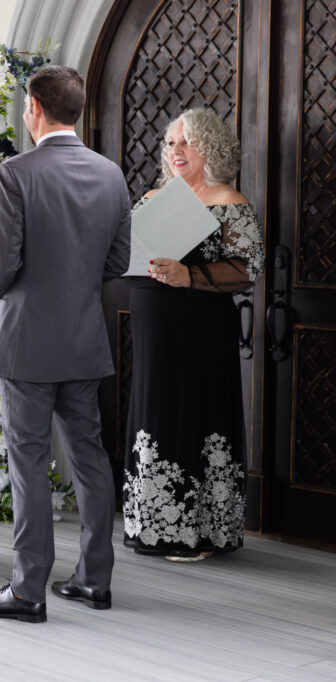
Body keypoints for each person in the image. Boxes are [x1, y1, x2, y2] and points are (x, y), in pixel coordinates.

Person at [0, 66, 131, 623]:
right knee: (89, 458)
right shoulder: (112, 175)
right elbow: (118, 263)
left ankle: (28, 590)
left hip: (28, 342)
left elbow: (2, 263)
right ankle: (94, 579)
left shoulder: (15, 172)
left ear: (33, 108)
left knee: (29, 463)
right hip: (85, 339)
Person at [123, 108, 264, 561]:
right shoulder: (151, 199)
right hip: (152, 329)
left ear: (210, 147)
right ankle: (151, 525)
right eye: (170, 143)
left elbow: (248, 270)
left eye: (187, 142)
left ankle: (199, 532)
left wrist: (190, 274)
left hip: (202, 331)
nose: (176, 151)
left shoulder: (229, 200)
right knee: (156, 412)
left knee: (195, 412)